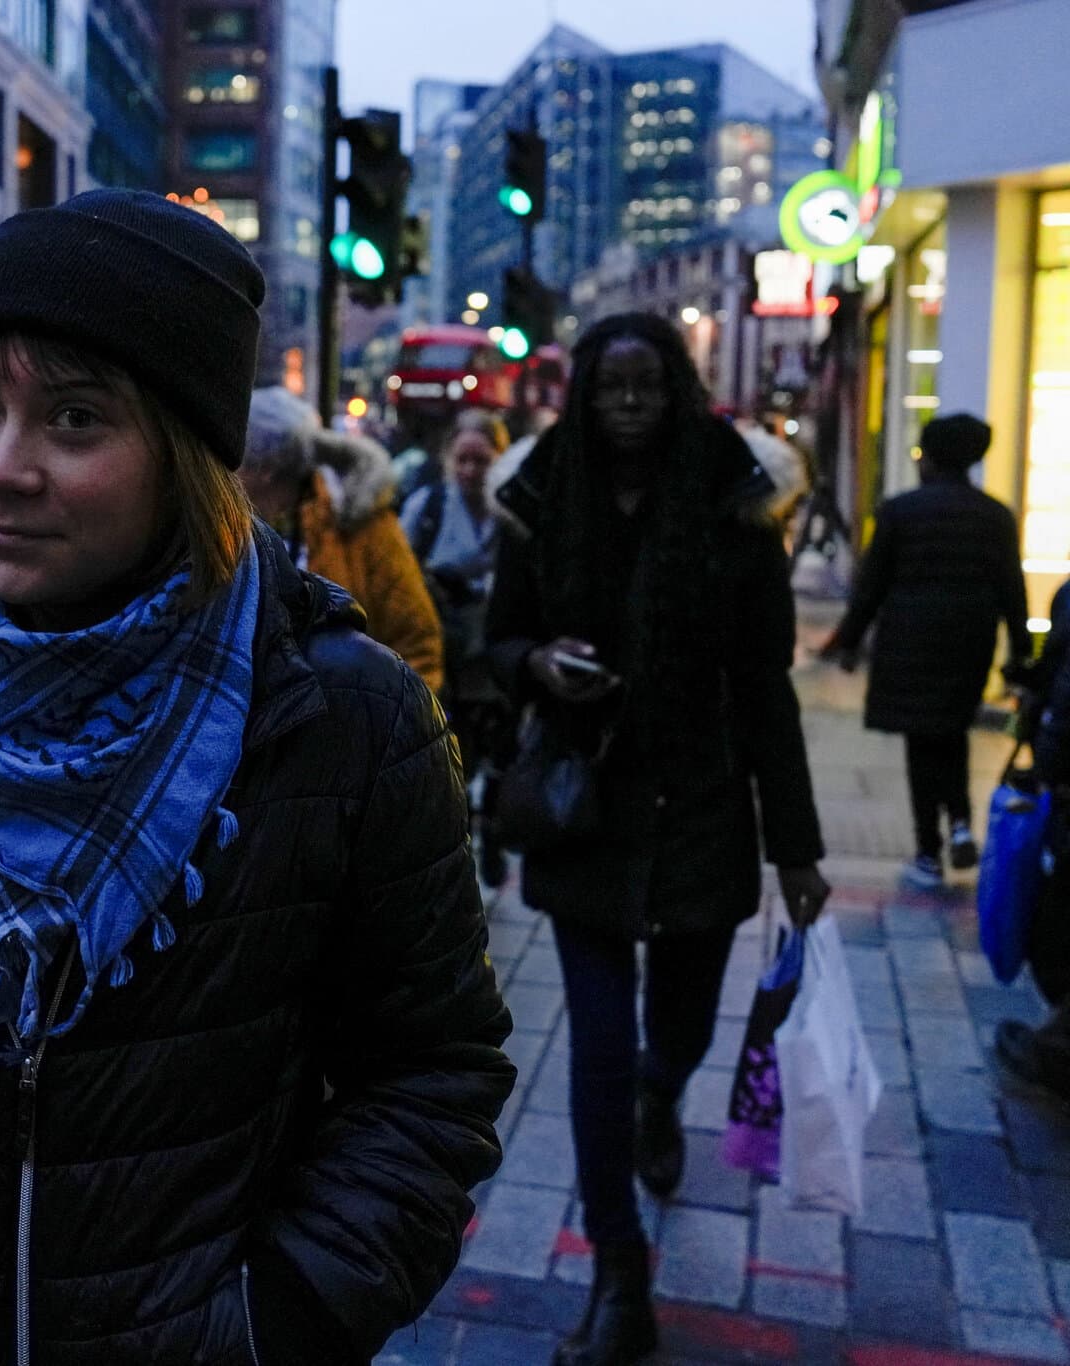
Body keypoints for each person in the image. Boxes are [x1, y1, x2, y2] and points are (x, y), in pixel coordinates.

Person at [0, 189, 514, 1366]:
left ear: (183, 451)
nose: (0, 470)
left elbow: (429, 1070)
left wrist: (274, 1324)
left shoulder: (345, 716)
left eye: (71, 418)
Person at [487, 312, 829, 1366]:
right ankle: (616, 1276)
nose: (626, 405)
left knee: (673, 1030)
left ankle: (661, 1091)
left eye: (644, 387)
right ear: (583, 397)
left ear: (674, 392)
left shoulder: (732, 509)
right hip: (585, 809)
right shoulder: (544, 498)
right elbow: (495, 640)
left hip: (701, 809)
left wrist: (797, 848)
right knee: (591, 1048)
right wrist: (535, 663)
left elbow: (766, 686)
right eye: (608, 389)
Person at [821, 413, 1028, 890]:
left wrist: (849, 643)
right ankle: (959, 820)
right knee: (952, 732)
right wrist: (1019, 656)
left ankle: (928, 850)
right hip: (969, 639)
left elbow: (870, 585)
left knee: (922, 743)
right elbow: (1011, 591)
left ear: (930, 458)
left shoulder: (900, 511)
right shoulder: (995, 516)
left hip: (910, 640)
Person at [240, 385, 446, 691]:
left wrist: (377, 732)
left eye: (238, 462)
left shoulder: (362, 522)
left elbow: (417, 645)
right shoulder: (232, 529)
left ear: (266, 469)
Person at [402, 419, 510, 886]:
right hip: (446, 655)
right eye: (462, 459)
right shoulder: (427, 507)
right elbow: (401, 576)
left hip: (496, 658)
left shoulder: (511, 512)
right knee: (454, 758)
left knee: (502, 754)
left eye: (481, 460)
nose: (470, 470)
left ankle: (497, 832)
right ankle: (460, 845)